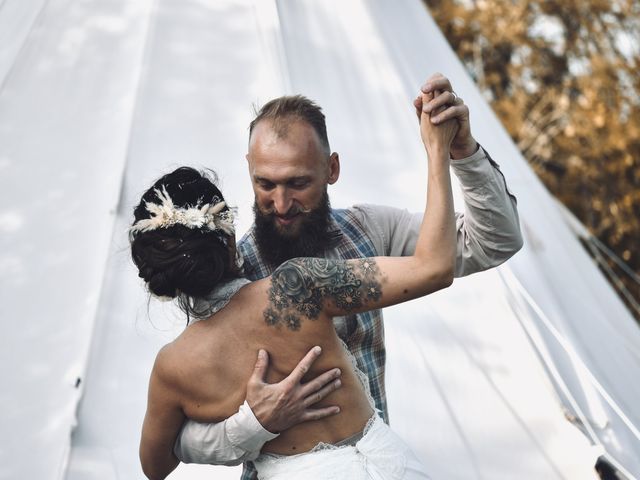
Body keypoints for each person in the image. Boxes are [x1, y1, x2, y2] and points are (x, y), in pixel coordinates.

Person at [173, 73, 523, 479]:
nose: (281, 203)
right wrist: (252, 421)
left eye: (298, 183)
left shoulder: (369, 229)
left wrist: (462, 152)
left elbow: (493, 242)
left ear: (332, 169)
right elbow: (178, 437)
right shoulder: (227, 276)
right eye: (264, 184)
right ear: (249, 171)